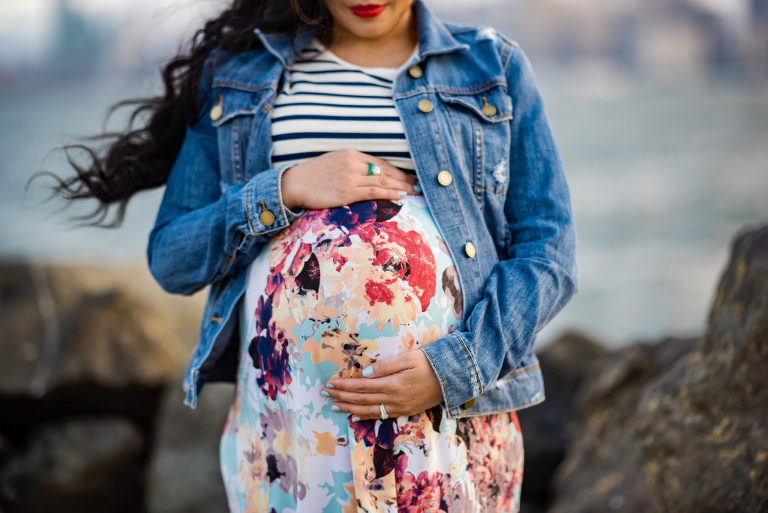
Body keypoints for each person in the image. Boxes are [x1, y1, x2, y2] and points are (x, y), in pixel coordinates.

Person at [51, 0, 578, 511]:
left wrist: (453, 369)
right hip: (293, 417)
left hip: (442, 406)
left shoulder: (491, 65)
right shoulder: (240, 73)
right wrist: (283, 188)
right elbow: (172, 256)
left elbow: (549, 251)